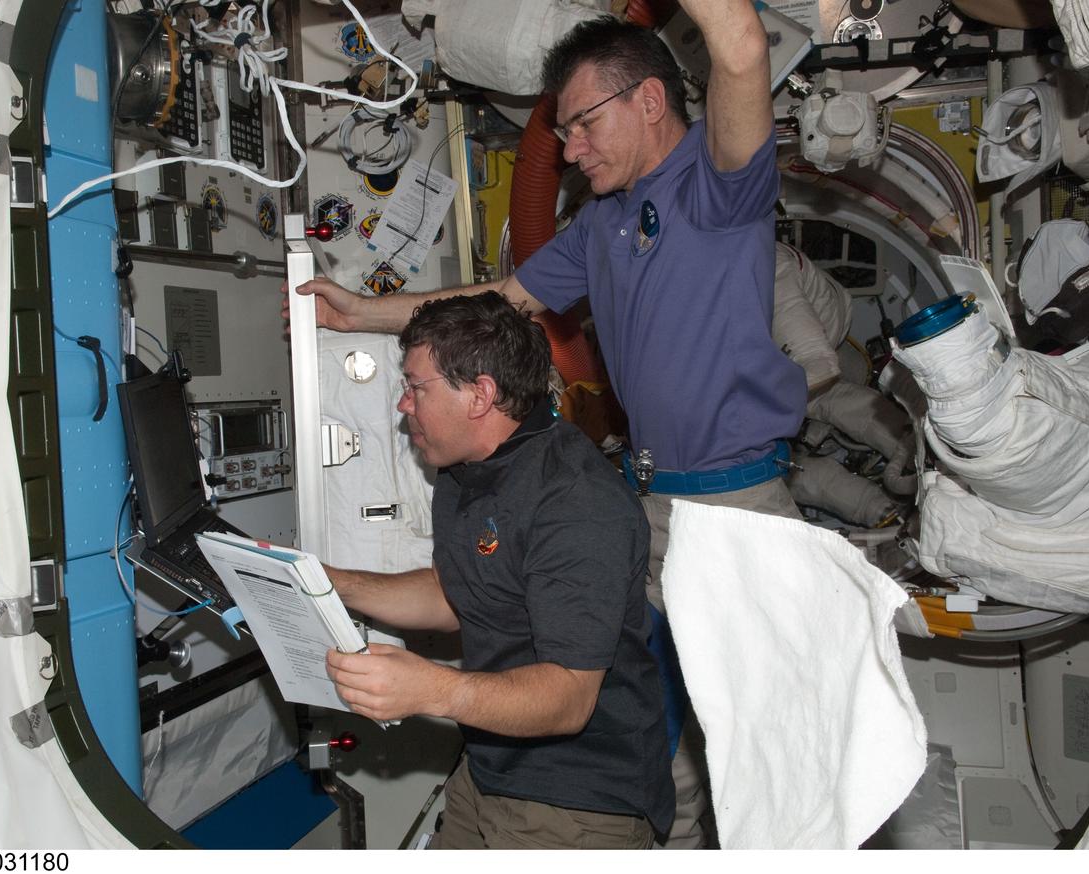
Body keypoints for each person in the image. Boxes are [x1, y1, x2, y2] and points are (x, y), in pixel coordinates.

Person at [291, 1, 805, 847]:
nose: (568, 149)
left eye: (581, 124)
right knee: (648, 723)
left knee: (763, 747)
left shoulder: (719, 185)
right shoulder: (601, 222)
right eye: (560, 131)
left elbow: (743, 47)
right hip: (651, 500)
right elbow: (500, 303)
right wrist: (362, 316)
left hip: (737, 503)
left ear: (648, 100)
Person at [321, 291, 674, 849]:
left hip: (579, 798)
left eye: (416, 387)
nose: (402, 405)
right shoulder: (466, 471)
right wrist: (328, 581)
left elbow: (567, 698)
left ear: (480, 395)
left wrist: (429, 688)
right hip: (490, 770)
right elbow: (453, 593)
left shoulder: (575, 501)